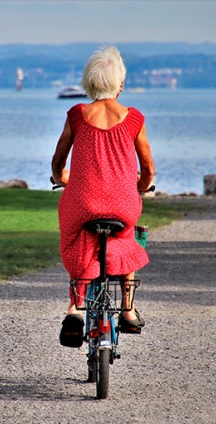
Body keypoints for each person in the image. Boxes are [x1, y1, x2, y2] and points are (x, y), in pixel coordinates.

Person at [51, 46, 155, 347]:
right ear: (119, 84)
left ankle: (76, 309)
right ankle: (128, 308)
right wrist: (143, 185)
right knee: (126, 239)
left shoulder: (77, 115)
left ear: (88, 82)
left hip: (82, 202)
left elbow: (58, 163)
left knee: (78, 237)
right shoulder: (134, 118)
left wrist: (62, 179)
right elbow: (147, 167)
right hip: (122, 204)